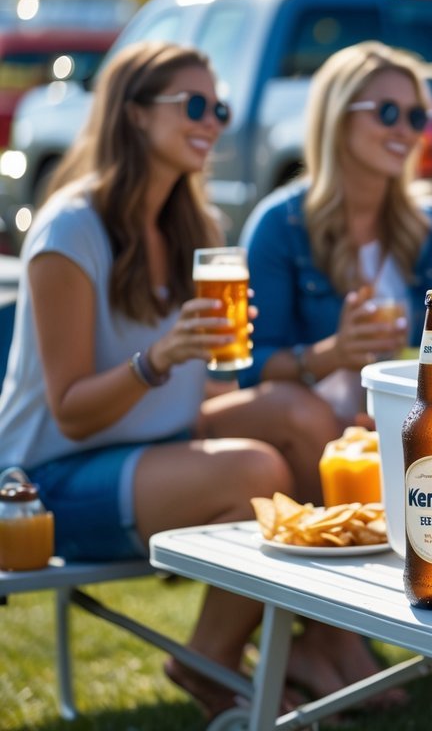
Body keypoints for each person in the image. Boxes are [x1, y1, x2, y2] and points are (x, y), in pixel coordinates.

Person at [0, 41, 399, 720]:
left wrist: (303, 386)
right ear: (131, 115)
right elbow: (69, 412)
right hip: (47, 480)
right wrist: (158, 358)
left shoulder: (194, 226)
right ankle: (209, 660)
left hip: (152, 441)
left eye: (218, 107)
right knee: (253, 468)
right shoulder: (71, 229)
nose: (212, 120)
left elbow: (201, 395)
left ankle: (327, 638)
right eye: (193, 105)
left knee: (299, 417)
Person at [239, 40, 432, 422]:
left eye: (416, 117)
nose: (404, 130)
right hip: (306, 433)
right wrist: (334, 353)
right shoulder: (282, 223)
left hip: (395, 425)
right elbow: (248, 366)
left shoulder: (423, 225)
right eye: (387, 113)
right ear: (338, 117)